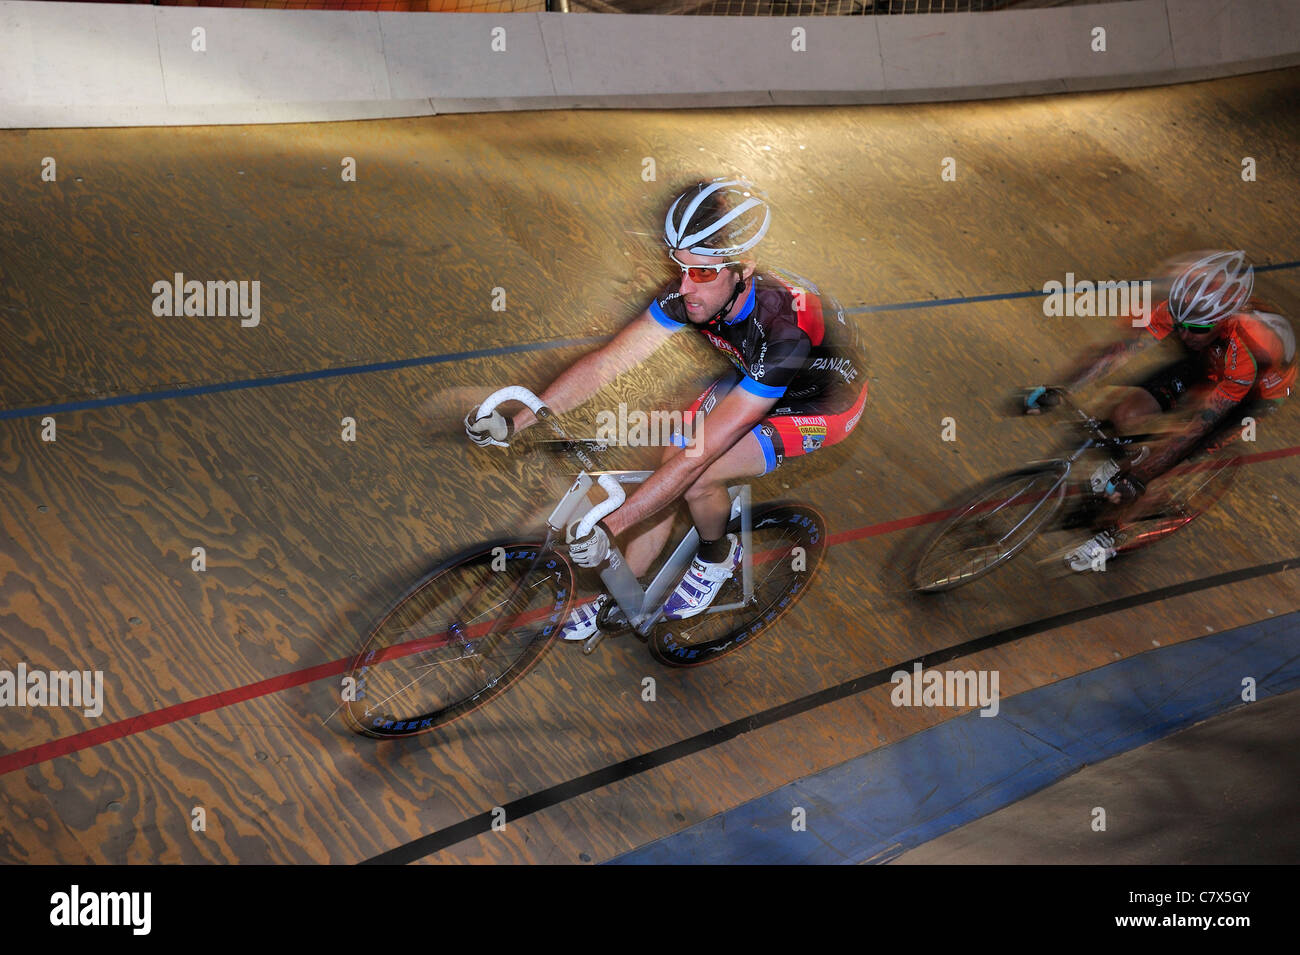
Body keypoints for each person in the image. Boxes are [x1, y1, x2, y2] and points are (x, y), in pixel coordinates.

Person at [465, 178, 869, 640]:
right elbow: (607, 364)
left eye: (702, 273)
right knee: (668, 462)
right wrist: (521, 418)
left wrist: (611, 526)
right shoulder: (691, 293)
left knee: (697, 475)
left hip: (823, 401)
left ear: (744, 269)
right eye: (680, 267)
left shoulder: (783, 332)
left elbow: (699, 457)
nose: (685, 287)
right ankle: (620, 594)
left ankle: (718, 556)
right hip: (753, 374)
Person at [1024, 250, 1295, 571]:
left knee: (1162, 464)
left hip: (1253, 393)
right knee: (1126, 412)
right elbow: (1115, 350)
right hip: (1209, 359)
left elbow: (1196, 426)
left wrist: (1143, 474)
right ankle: (1129, 464)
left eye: (1193, 327)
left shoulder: (1248, 350)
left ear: (1221, 321)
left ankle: (1113, 536)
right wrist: (1059, 387)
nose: (1182, 333)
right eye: (1178, 322)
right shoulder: (1187, 312)